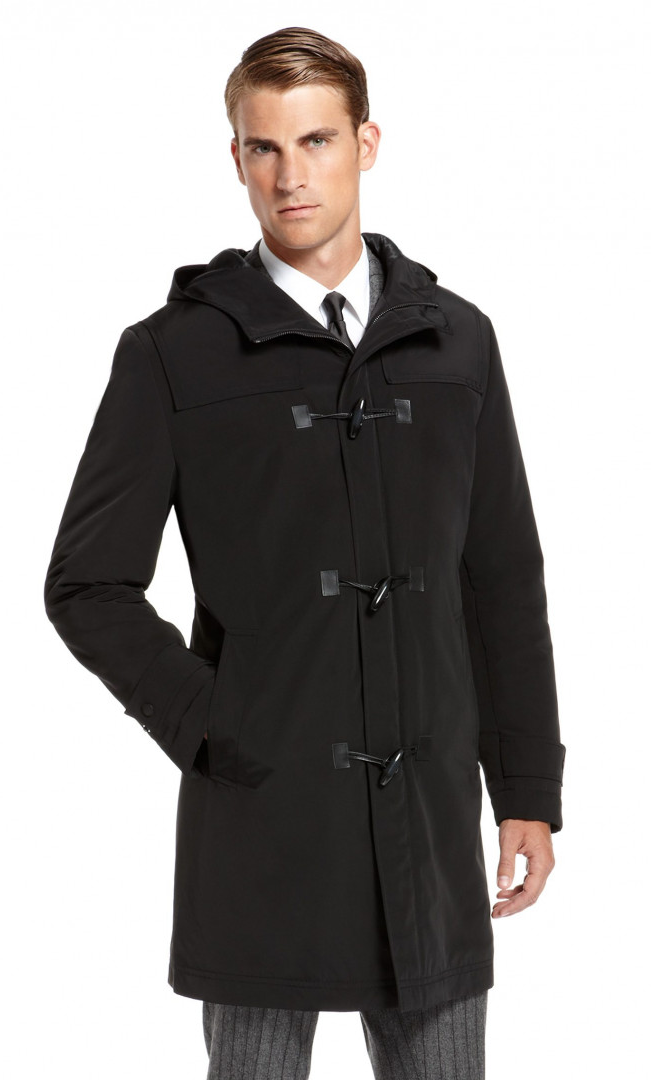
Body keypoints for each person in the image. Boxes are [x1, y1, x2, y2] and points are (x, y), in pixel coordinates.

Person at [44, 25, 566, 1080]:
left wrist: (524, 787)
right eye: (265, 147)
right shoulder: (173, 352)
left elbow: (500, 578)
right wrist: (211, 720)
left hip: (427, 827)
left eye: (316, 141)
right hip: (262, 817)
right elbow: (87, 583)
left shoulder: (456, 340)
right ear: (236, 157)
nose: (291, 176)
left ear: (365, 143)